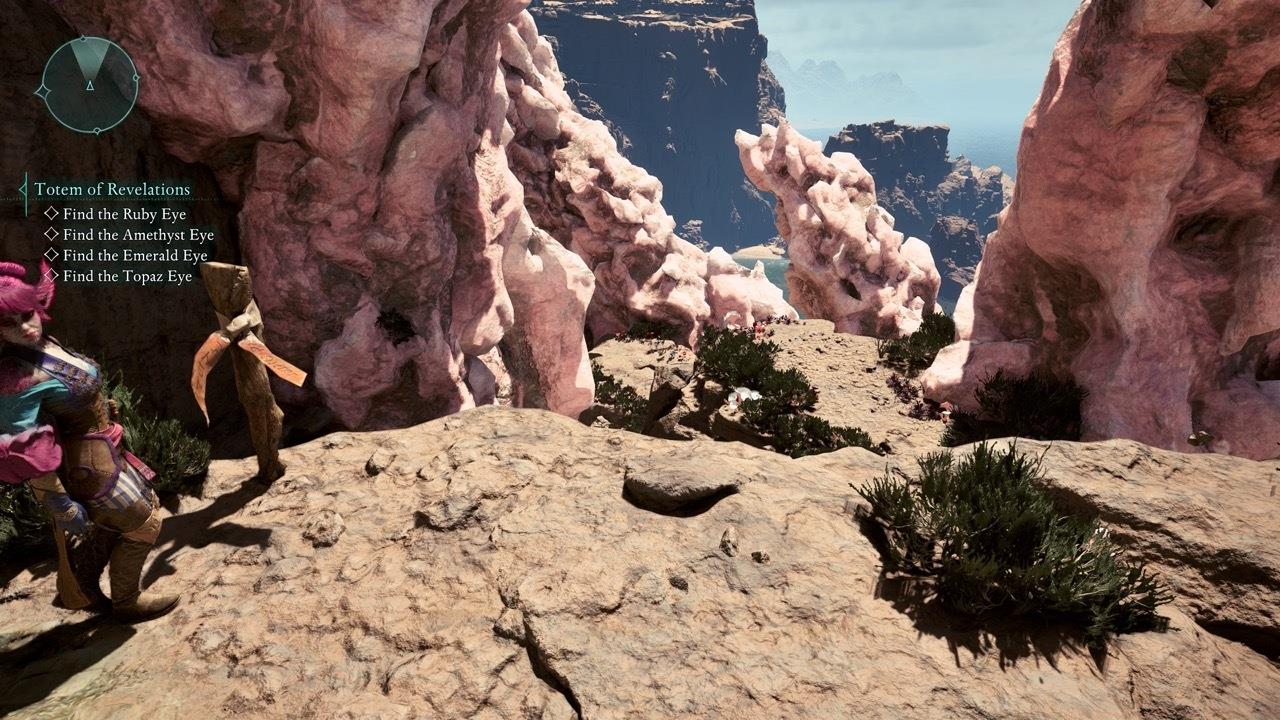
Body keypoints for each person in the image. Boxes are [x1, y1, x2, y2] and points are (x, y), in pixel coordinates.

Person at [0, 260, 178, 622]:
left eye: (27, 315)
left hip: (106, 450)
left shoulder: (46, 344)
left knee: (127, 517)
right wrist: (60, 503)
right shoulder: (14, 378)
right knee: (146, 523)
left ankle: (81, 583)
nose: (26, 327)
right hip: (88, 468)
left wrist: (102, 416)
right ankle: (127, 601)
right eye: (9, 323)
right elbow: (23, 447)